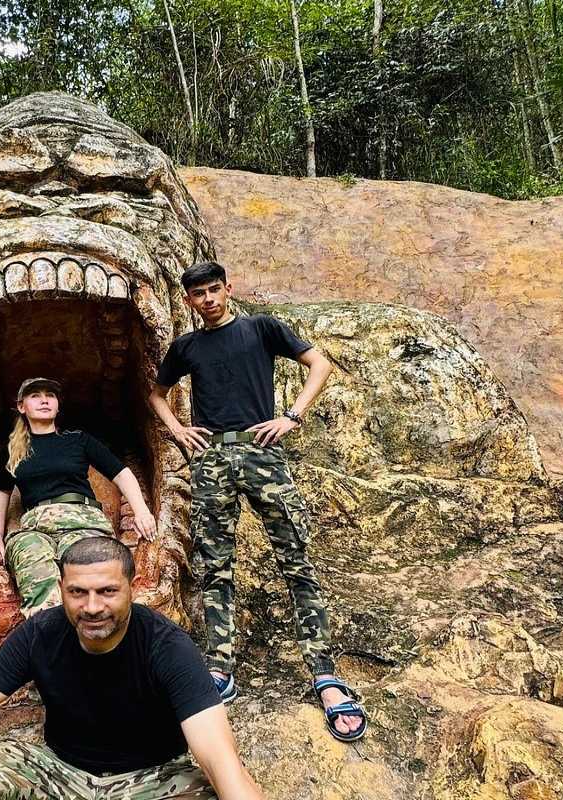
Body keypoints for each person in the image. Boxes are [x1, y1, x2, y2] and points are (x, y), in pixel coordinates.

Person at [148, 261, 367, 743]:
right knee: (215, 565)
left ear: (228, 289)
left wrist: (291, 416)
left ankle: (324, 675)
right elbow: (157, 393)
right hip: (209, 459)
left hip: (262, 450)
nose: (207, 299)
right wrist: (179, 429)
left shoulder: (261, 328)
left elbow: (320, 364)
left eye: (213, 289)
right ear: (188, 301)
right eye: (197, 294)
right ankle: (221, 670)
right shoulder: (186, 347)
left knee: (298, 561)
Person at [0, 536, 267, 800]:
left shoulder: (168, 646)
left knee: (227, 789)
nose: (92, 607)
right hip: (56, 773)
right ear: (61, 588)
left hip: (150, 780)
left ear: (131, 587)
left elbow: (216, 756)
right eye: (78, 592)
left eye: (107, 591)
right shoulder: (41, 633)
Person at [0, 377, 157, 617]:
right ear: (21, 406)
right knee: (36, 570)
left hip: (83, 524)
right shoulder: (12, 450)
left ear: (58, 406)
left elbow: (121, 474)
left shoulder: (78, 440)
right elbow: (1, 489)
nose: (44, 400)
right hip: (35, 530)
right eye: (35, 395)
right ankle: (50, 638)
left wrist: (141, 511)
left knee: (87, 573)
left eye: (50, 395)